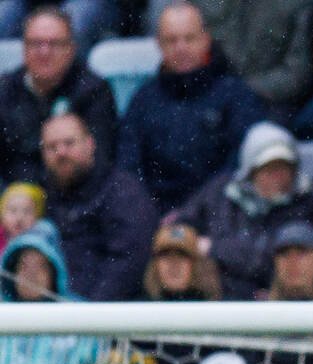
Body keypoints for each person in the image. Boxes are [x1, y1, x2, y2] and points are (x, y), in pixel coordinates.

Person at [118, 4, 267, 212]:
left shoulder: (235, 95)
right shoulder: (143, 99)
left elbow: (240, 164)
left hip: (220, 211)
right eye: (171, 40)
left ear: (206, 40)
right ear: (159, 45)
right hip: (154, 215)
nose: (181, 48)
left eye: (189, 38)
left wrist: (194, 211)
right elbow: (129, 165)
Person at [170, 122, 313, 301]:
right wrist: (189, 242)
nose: (279, 177)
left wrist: (214, 248)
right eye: (270, 169)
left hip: (278, 301)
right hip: (216, 296)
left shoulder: (305, 206)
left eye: (285, 168)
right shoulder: (219, 191)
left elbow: (267, 262)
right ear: (251, 171)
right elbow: (179, 229)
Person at [42, 111, 156, 300]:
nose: (61, 152)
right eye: (51, 147)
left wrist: (89, 313)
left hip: (108, 316)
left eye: (69, 143)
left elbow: (128, 261)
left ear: (90, 144)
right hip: (57, 316)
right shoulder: (45, 197)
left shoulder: (123, 193)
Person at [0, 6, 117, 183]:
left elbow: (100, 160)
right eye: (36, 43)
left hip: (75, 197)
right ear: (24, 49)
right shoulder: (5, 89)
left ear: (71, 48)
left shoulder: (93, 91)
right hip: (15, 198)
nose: (44, 52)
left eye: (54, 44)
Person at [192, 0, 313, 113]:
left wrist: (241, 90)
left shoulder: (299, 6)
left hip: (272, 105)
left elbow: (296, 75)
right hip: (214, 95)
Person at [142, 220, 222, 301]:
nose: (173, 264)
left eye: (182, 255)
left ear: (198, 264)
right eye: (165, 255)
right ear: (154, 265)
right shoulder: (137, 310)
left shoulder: (223, 310)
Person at [263, 221, 313, 301]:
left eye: (301, 252)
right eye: (284, 253)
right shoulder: (252, 310)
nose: (292, 261)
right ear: (275, 262)